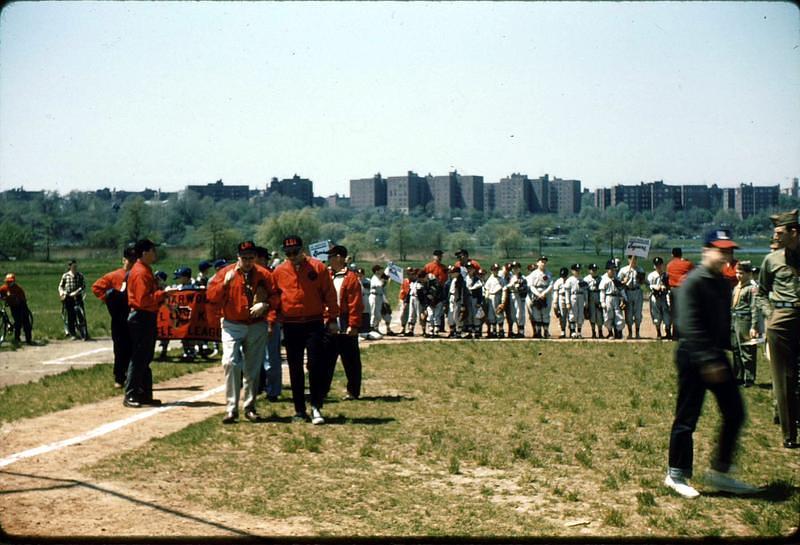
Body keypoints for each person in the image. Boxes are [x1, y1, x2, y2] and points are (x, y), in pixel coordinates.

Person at [664, 228, 760, 498]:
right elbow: (687, 324)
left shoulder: (721, 282)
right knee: (687, 418)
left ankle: (721, 471)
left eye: (729, 250)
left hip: (715, 355)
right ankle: (676, 474)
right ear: (707, 251)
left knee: (735, 412)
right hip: (693, 356)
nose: (726, 255)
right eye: (721, 250)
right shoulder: (693, 281)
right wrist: (707, 360)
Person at [272, 235, 339, 425]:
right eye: (289, 253)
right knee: (295, 367)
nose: (292, 256)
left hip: (314, 322)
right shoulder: (279, 271)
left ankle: (316, 406)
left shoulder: (317, 268)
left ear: (303, 250)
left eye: (296, 252)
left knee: (316, 364)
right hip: (291, 325)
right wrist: (274, 316)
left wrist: (333, 318)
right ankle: (299, 410)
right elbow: (275, 297)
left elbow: (329, 294)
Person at [207, 241, 276, 424]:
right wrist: (224, 284)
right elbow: (211, 297)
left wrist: (266, 305)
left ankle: (249, 406)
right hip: (232, 324)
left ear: (255, 257)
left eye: (251, 258)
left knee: (252, 369)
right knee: (230, 362)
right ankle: (231, 409)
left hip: (256, 324)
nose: (247, 261)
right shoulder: (225, 273)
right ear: (238, 257)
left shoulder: (264, 274)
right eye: (244, 258)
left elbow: (277, 296)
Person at [757, 209, 800, 449]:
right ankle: (789, 435)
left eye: (779, 232)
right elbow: (762, 293)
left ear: (793, 232)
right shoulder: (771, 260)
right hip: (781, 321)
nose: (775, 236)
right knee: (785, 379)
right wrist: (771, 315)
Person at [124, 239, 168, 408]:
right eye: (152, 250)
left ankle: (143, 393)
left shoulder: (145, 269)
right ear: (144, 253)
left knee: (146, 356)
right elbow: (143, 300)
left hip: (146, 315)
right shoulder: (141, 272)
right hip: (141, 316)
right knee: (139, 356)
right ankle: (131, 393)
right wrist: (162, 294)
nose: (155, 254)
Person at [92, 246, 137, 387]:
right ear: (124, 260)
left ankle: (133, 377)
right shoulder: (114, 276)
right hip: (119, 316)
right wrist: (110, 300)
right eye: (129, 260)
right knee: (119, 347)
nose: (131, 263)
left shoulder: (138, 275)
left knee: (134, 347)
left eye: (134, 260)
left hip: (134, 315)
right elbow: (97, 287)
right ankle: (119, 377)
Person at [326, 245, 364, 400]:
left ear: (340, 258)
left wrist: (353, 325)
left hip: (345, 320)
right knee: (327, 358)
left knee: (351, 359)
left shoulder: (351, 278)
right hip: (330, 320)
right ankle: (322, 389)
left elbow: (355, 303)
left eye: (332, 256)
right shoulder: (327, 275)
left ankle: (353, 391)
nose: (329, 259)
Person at [254, 246, 283, 402]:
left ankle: (273, 391)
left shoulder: (271, 276)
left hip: (268, 321)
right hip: (251, 323)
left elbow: (274, 302)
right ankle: (258, 387)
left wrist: (271, 322)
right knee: (253, 359)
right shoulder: (249, 276)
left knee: (271, 360)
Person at [730, 261, 760, 387]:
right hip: (735, 319)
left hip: (745, 320)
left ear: (748, 274)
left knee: (746, 350)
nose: (738, 275)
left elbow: (754, 308)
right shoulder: (736, 287)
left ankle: (749, 378)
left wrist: (754, 326)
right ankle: (738, 376)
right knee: (736, 349)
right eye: (737, 273)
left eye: (741, 273)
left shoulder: (751, 289)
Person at [666, 247, 694, 339]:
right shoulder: (687, 264)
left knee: (674, 312)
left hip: (674, 290)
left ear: (672, 254)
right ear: (681, 254)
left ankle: (675, 334)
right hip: (685, 290)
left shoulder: (669, 265)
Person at [0, 273, 33, 345]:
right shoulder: (3, 288)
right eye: (7, 282)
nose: (9, 283)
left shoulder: (18, 289)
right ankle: (17, 338)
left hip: (21, 305)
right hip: (13, 306)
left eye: (10, 282)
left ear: (14, 281)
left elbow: (22, 299)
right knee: (17, 321)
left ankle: (28, 339)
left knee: (25, 321)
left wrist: (15, 299)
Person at [58, 259, 88, 339]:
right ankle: (72, 333)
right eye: (73, 266)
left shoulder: (80, 275)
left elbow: (83, 286)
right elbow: (61, 286)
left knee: (81, 314)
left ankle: (84, 332)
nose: (75, 268)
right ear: (70, 267)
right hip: (68, 297)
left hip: (77, 296)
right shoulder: (65, 276)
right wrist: (62, 293)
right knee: (70, 315)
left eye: (76, 266)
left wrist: (77, 291)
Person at [617, 255, 645, 339]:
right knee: (628, 314)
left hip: (637, 291)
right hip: (628, 291)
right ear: (628, 259)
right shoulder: (624, 270)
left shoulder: (640, 269)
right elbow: (618, 283)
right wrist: (623, 281)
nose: (633, 260)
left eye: (635, 258)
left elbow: (643, 282)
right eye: (631, 258)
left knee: (638, 314)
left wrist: (641, 279)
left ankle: (637, 332)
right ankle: (630, 333)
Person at [598, 260, 626, 339]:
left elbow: (621, 290)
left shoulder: (617, 279)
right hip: (608, 298)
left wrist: (623, 300)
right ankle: (610, 332)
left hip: (616, 298)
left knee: (618, 315)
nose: (613, 271)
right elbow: (602, 292)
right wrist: (602, 302)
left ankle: (619, 332)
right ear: (607, 270)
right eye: (611, 269)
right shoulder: (604, 279)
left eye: (614, 269)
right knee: (608, 316)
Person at [647, 257, 671, 340]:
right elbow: (649, 285)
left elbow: (669, 285)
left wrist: (665, 287)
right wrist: (655, 287)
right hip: (655, 296)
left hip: (664, 296)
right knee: (656, 315)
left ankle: (668, 332)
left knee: (666, 315)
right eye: (657, 265)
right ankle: (658, 333)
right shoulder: (651, 275)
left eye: (660, 265)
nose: (658, 267)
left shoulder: (666, 275)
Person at [528, 256, 553, 339]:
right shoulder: (534, 274)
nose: (543, 263)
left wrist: (544, 293)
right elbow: (531, 286)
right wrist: (538, 294)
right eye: (541, 261)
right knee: (537, 313)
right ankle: (538, 332)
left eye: (545, 262)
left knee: (546, 313)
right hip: (536, 293)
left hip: (546, 293)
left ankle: (546, 331)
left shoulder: (549, 273)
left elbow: (551, 285)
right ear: (537, 263)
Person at [564, 263, 586, 339]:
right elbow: (567, 292)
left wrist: (586, 301)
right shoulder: (570, 280)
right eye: (576, 270)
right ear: (572, 271)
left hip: (581, 296)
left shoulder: (582, 279)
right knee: (572, 314)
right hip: (573, 296)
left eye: (579, 270)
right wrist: (567, 302)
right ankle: (573, 331)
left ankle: (579, 332)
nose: (578, 271)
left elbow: (585, 290)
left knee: (580, 315)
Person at [483, 264, 504, 338]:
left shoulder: (501, 279)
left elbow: (504, 290)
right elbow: (487, 290)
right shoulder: (490, 279)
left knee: (499, 313)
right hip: (491, 297)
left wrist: (502, 302)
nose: (496, 271)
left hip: (498, 295)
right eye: (494, 270)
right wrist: (486, 299)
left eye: (497, 269)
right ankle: (494, 331)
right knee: (491, 314)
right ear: (491, 271)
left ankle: (501, 331)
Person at [583, 263, 603, 339]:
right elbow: (585, 291)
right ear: (589, 270)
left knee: (599, 315)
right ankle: (593, 332)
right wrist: (586, 302)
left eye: (595, 270)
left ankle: (600, 332)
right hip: (590, 295)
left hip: (598, 295)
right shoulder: (586, 279)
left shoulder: (600, 278)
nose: (594, 271)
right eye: (593, 270)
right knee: (592, 315)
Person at [368, 264, 387, 335]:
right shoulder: (374, 278)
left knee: (378, 313)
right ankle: (371, 328)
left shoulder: (378, 278)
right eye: (379, 269)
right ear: (376, 271)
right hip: (374, 296)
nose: (381, 271)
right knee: (373, 312)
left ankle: (376, 328)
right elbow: (379, 285)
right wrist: (384, 281)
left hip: (379, 297)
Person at [551, 267, 570, 338]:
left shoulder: (570, 280)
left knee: (570, 316)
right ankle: (563, 331)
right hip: (561, 298)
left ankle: (572, 330)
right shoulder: (558, 281)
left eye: (564, 275)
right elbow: (555, 293)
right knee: (562, 316)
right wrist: (555, 303)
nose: (564, 277)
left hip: (569, 298)